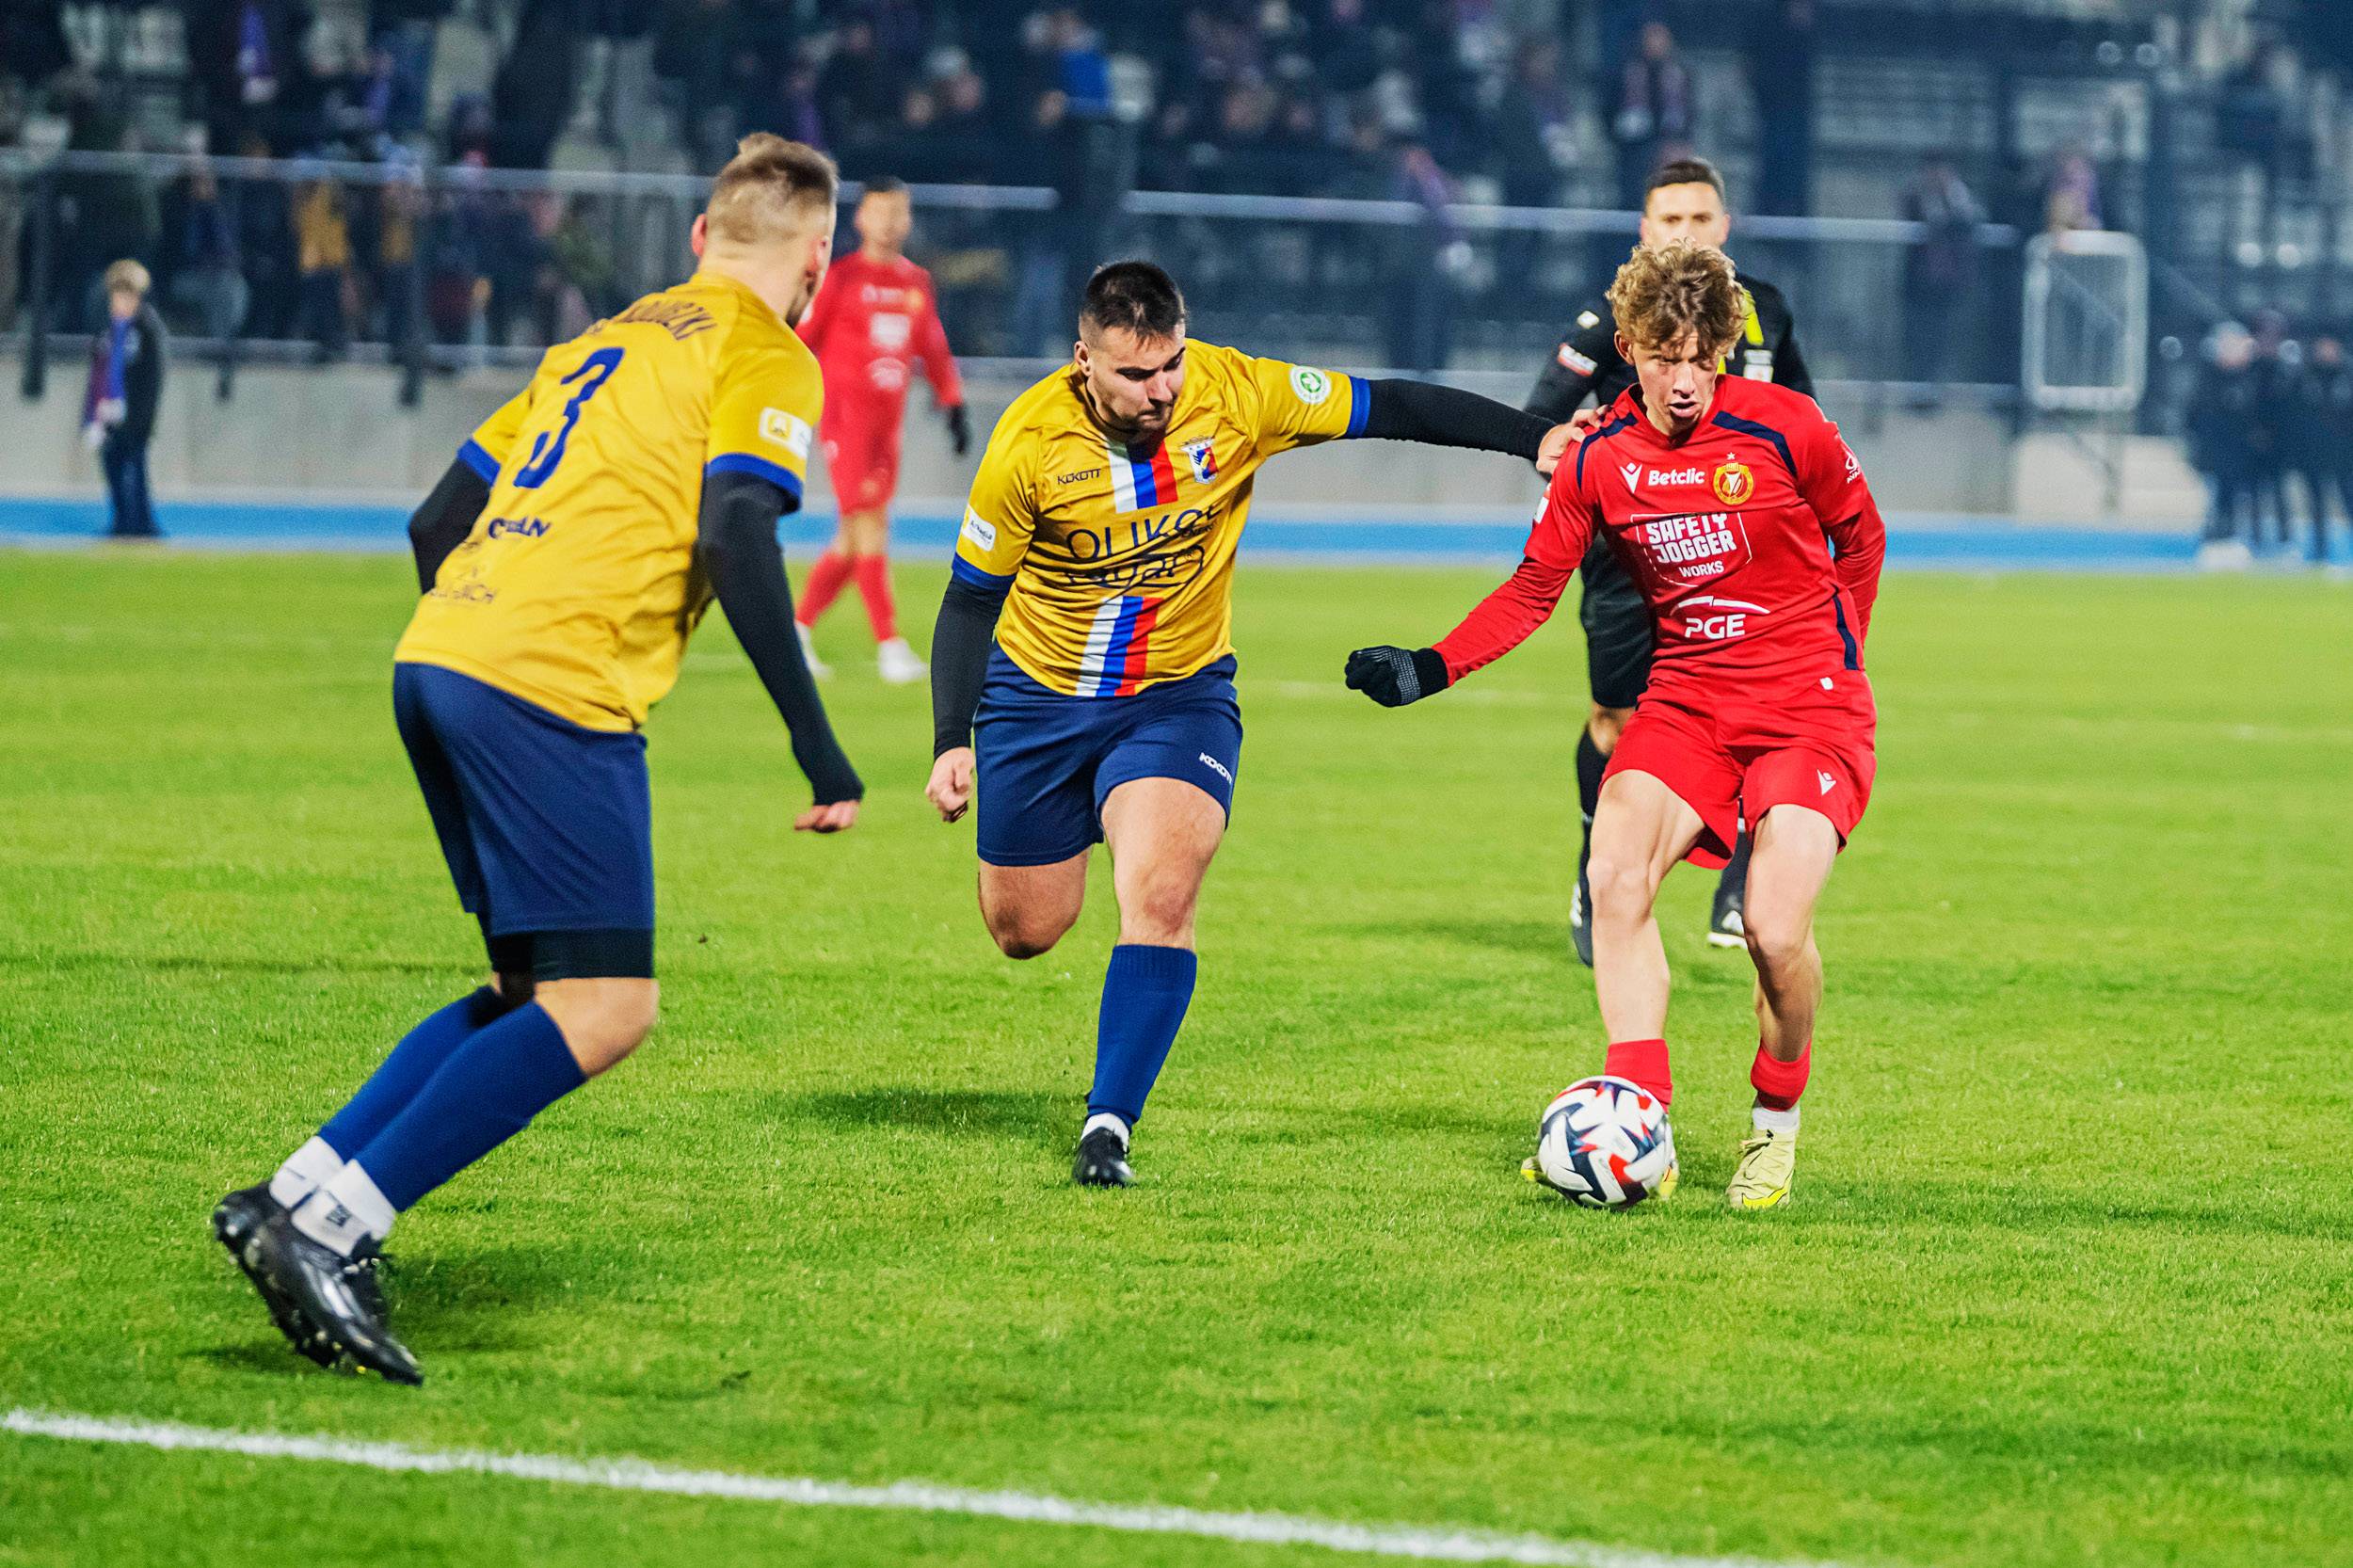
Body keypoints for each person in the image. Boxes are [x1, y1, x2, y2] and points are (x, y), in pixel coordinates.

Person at [211, 135, 862, 1384]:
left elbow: (436, 520)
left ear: (699, 238)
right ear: (817, 260)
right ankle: (330, 1229)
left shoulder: (596, 342)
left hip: (440, 653)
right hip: (547, 682)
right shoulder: (765, 350)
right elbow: (736, 526)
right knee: (606, 1006)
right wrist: (816, 743)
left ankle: (294, 1192)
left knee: (530, 988)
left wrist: (479, 641)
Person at [925, 261, 1574, 1188]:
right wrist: (953, 738)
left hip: (1177, 696)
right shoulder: (1027, 444)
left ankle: (1108, 1124)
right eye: (1134, 374)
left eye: (1170, 366)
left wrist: (1532, 437)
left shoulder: (1238, 392)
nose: (1159, 391)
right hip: (1037, 702)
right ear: (1083, 361)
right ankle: (1082, 830)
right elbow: (967, 602)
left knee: (1162, 895)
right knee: (1026, 929)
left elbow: (1391, 403)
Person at [1345, 239, 1885, 1211]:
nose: (1684, 382)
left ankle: (1774, 1121)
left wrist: (1837, 654)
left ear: (1723, 350)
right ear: (1628, 348)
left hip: (1807, 708)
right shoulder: (1599, 459)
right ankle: (1642, 1119)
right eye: (1665, 358)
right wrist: (1429, 666)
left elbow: (1861, 535)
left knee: (1772, 930)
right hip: (1687, 700)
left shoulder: (1787, 426)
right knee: (1614, 873)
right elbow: (1531, 590)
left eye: (1702, 359)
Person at [1525, 157, 1813, 963]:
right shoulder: (1609, 319)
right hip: (1631, 556)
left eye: (1700, 218)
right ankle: (1597, 874)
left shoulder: (1767, 311)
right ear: (1645, 230)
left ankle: (1743, 885)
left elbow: (1805, 415)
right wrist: (1591, 462)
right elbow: (1541, 421)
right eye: (1671, 219)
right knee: (1616, 720)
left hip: (1745, 556)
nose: (1687, 232)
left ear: (1725, 225)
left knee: (1758, 717)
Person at [792, 176, 968, 684]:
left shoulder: (916, 282)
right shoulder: (841, 278)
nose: (889, 223)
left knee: (853, 539)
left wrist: (952, 402)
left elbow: (932, 346)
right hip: (845, 421)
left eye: (897, 213)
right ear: (860, 218)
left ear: (908, 219)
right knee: (871, 524)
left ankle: (796, 630)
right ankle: (889, 644)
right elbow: (804, 339)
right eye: (879, 212)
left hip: (888, 429)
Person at [83, 259, 166, 539]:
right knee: (113, 469)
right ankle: (121, 522)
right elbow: (97, 375)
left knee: (135, 472)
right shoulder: (107, 330)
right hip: (107, 414)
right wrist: (91, 415)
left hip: (133, 417)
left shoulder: (147, 329)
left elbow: (152, 381)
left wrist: (140, 419)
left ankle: (142, 524)